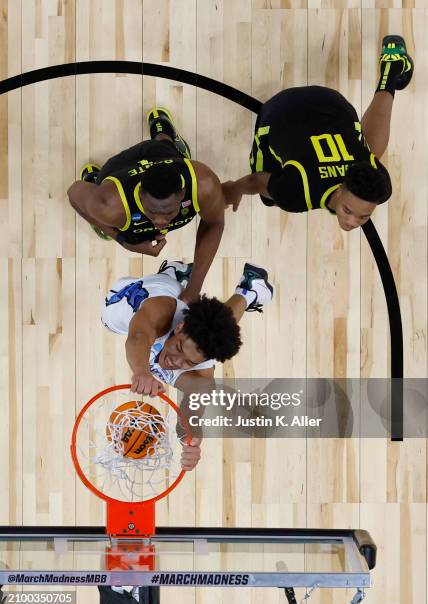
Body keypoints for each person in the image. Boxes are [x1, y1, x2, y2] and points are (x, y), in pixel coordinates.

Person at [222, 35, 414, 232]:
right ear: (339, 190)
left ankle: (392, 67)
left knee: (368, 153)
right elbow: (255, 181)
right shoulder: (296, 191)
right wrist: (233, 189)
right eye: (347, 210)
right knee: (271, 198)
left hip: (333, 103)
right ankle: (390, 71)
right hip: (283, 109)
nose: (352, 222)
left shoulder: (380, 181)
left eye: (363, 217)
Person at [101, 260, 274, 470]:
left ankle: (250, 288)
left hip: (175, 303)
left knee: (217, 328)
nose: (176, 361)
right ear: (180, 327)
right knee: (111, 319)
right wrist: (141, 372)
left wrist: (191, 441)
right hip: (139, 293)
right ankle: (176, 278)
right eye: (179, 348)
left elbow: (190, 418)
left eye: (189, 362)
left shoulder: (201, 376)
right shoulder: (160, 311)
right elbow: (137, 337)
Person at [67, 108, 225, 303]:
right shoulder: (109, 203)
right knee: (101, 218)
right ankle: (94, 181)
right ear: (141, 195)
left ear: (182, 194)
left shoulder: (203, 184)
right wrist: (123, 240)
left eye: (168, 213)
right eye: (152, 212)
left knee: (164, 146)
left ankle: (163, 128)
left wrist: (194, 288)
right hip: (119, 169)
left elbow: (214, 223)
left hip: (160, 156)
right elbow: (73, 193)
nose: (160, 221)